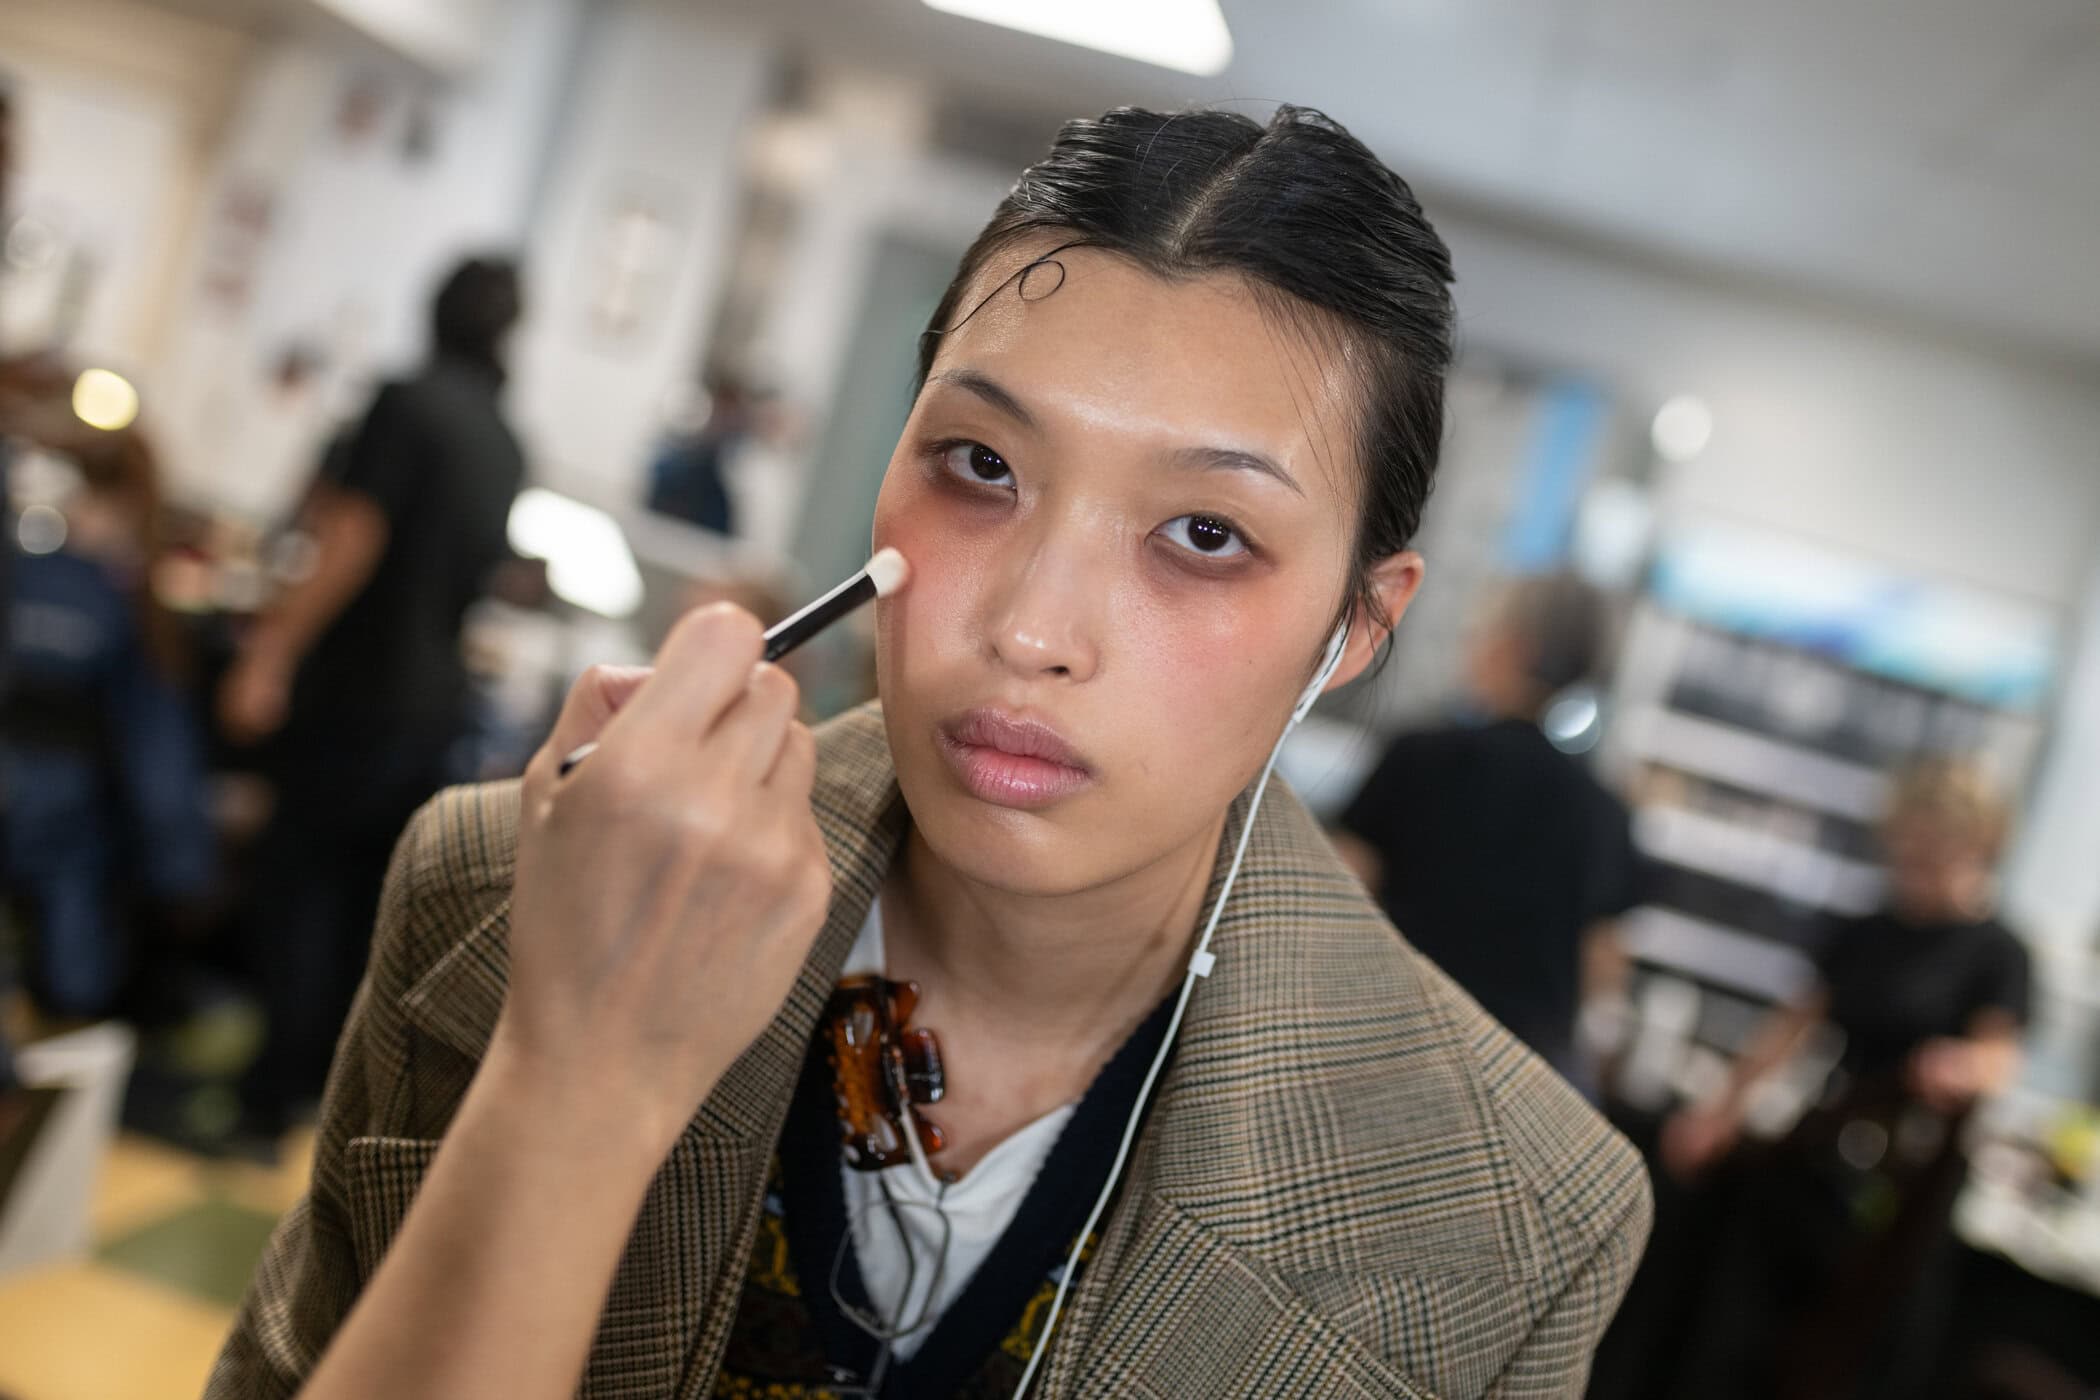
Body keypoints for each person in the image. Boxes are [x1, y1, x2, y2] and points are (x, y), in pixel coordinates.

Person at [208, 106, 1650, 1400]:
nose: (1031, 630)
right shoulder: (511, 889)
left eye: (1203, 536)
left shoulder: (1513, 1217)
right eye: (981, 467)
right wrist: (571, 1077)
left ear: (1352, 630)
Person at [220, 255, 527, 1135]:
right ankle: (321, 1093)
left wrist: (269, 651)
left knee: (297, 885)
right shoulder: (506, 437)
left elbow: (353, 534)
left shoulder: (406, 403)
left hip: (359, 690)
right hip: (434, 705)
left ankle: (262, 1099)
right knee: (364, 905)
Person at [1662, 756, 2032, 1400]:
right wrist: (1719, 1111)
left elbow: (1999, 1058)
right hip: (1830, 1157)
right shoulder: (1869, 929)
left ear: (1976, 847)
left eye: (1932, 853)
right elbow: (1792, 1025)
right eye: (1905, 850)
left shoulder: (1998, 951)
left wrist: (1959, 1064)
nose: (1913, 869)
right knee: (1749, 1335)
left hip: (1907, 1189)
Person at [1333, 574, 1642, 1085]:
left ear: (1514, 647)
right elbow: (1605, 969)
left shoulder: (1421, 756)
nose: (1469, 642)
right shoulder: (1603, 807)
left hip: (1391, 1039)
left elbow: (1340, 892)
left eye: (1481, 628)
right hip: (1520, 1074)